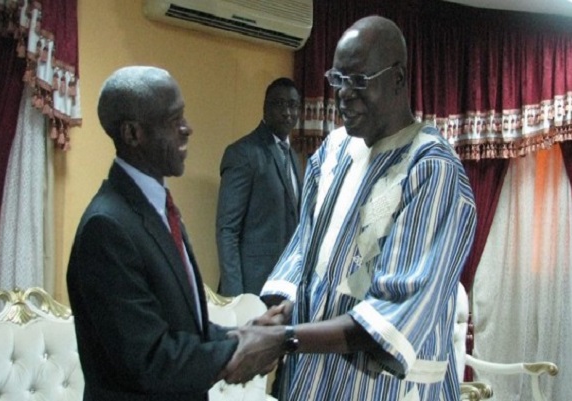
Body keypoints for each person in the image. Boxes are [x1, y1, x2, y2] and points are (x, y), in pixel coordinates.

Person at [255, 15, 478, 401]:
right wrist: (281, 314)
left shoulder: (431, 170)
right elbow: (305, 258)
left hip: (388, 389)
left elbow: (391, 319)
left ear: (398, 78)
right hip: (314, 380)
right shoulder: (332, 152)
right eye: (338, 79)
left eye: (359, 80)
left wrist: (284, 340)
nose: (344, 94)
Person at [66, 66, 285, 400]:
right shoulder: (107, 227)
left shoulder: (154, 208)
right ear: (133, 133)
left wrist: (244, 334)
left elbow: (183, 330)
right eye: (174, 120)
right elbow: (150, 359)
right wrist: (242, 350)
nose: (187, 128)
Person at [216, 78, 302, 296]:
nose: (287, 112)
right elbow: (227, 230)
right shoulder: (243, 152)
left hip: (284, 287)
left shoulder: (294, 157)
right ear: (265, 107)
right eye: (279, 104)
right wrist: (236, 297)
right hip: (250, 288)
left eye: (292, 105)